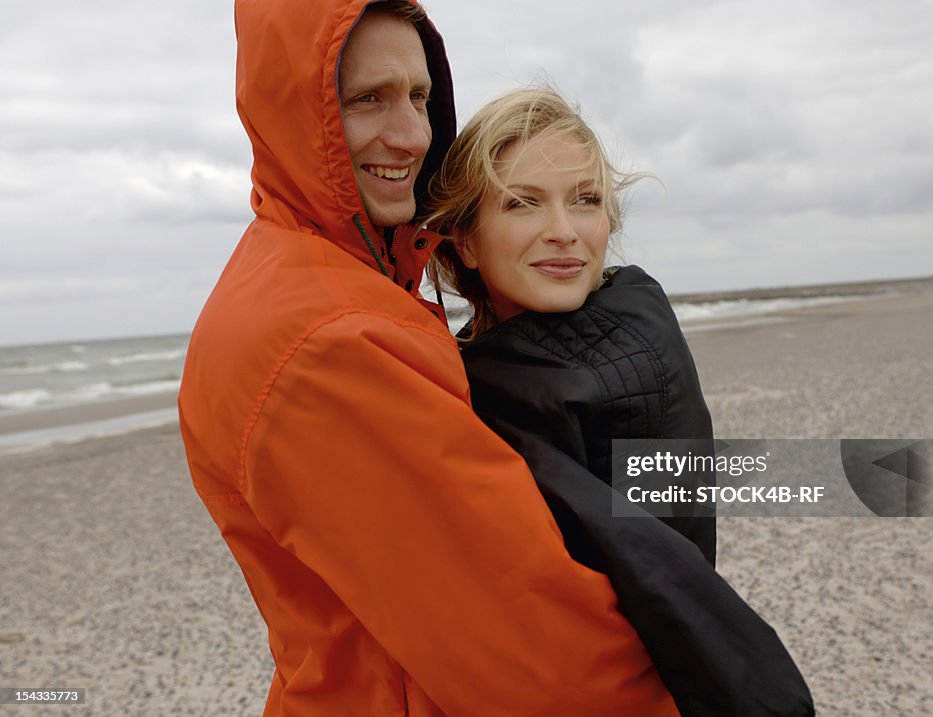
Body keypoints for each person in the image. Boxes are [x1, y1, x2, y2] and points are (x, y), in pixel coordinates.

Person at [179, 1, 685, 715]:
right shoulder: (328, 338)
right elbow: (539, 656)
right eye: (367, 100)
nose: (412, 134)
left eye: (419, 97)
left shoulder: (325, 280)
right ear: (297, 111)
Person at [426, 88, 815, 715]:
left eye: (585, 200)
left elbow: (664, 567)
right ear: (466, 240)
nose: (564, 232)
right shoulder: (454, 374)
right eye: (524, 203)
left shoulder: (625, 349)